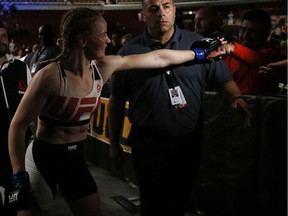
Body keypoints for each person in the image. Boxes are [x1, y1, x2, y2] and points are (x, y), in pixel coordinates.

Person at [7, 7, 227, 216]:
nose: (108, 39)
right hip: (43, 158)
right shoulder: (50, 76)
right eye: (102, 34)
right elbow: (18, 126)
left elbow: (159, 58)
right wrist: (18, 174)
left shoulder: (103, 67)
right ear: (83, 40)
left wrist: (197, 54)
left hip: (75, 158)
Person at [108, 0, 252, 215]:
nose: (161, 13)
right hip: (147, 143)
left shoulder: (200, 44)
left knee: (180, 202)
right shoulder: (128, 52)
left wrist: (236, 97)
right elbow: (117, 100)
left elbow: (223, 80)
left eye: (166, 6)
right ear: (143, 15)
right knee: (153, 204)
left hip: (188, 141)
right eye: (154, 9)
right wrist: (113, 143)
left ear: (175, 10)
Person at [0, 21, 32, 216]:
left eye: (3, 36)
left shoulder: (21, 68)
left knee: (21, 204)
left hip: (19, 152)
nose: (0, 40)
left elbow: (34, 106)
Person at [217, 9, 282, 94]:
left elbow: (258, 59)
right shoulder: (232, 54)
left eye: (253, 31)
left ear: (266, 34)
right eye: (243, 29)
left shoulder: (271, 54)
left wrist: (232, 48)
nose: (246, 35)